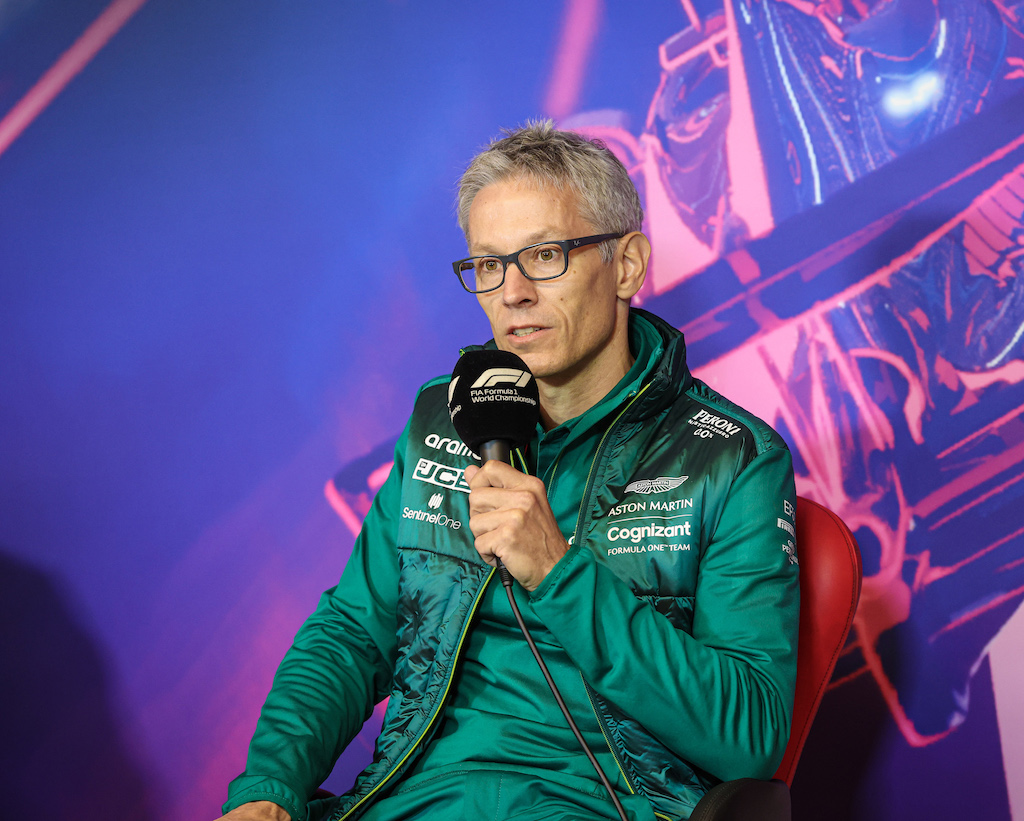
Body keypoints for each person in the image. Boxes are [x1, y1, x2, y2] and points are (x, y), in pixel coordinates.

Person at [217, 121, 800, 821]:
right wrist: (268, 787)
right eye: (489, 265)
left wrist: (559, 571)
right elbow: (350, 632)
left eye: (545, 255)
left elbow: (750, 737)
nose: (513, 292)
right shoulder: (444, 418)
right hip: (406, 801)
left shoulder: (731, 456)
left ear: (627, 264)